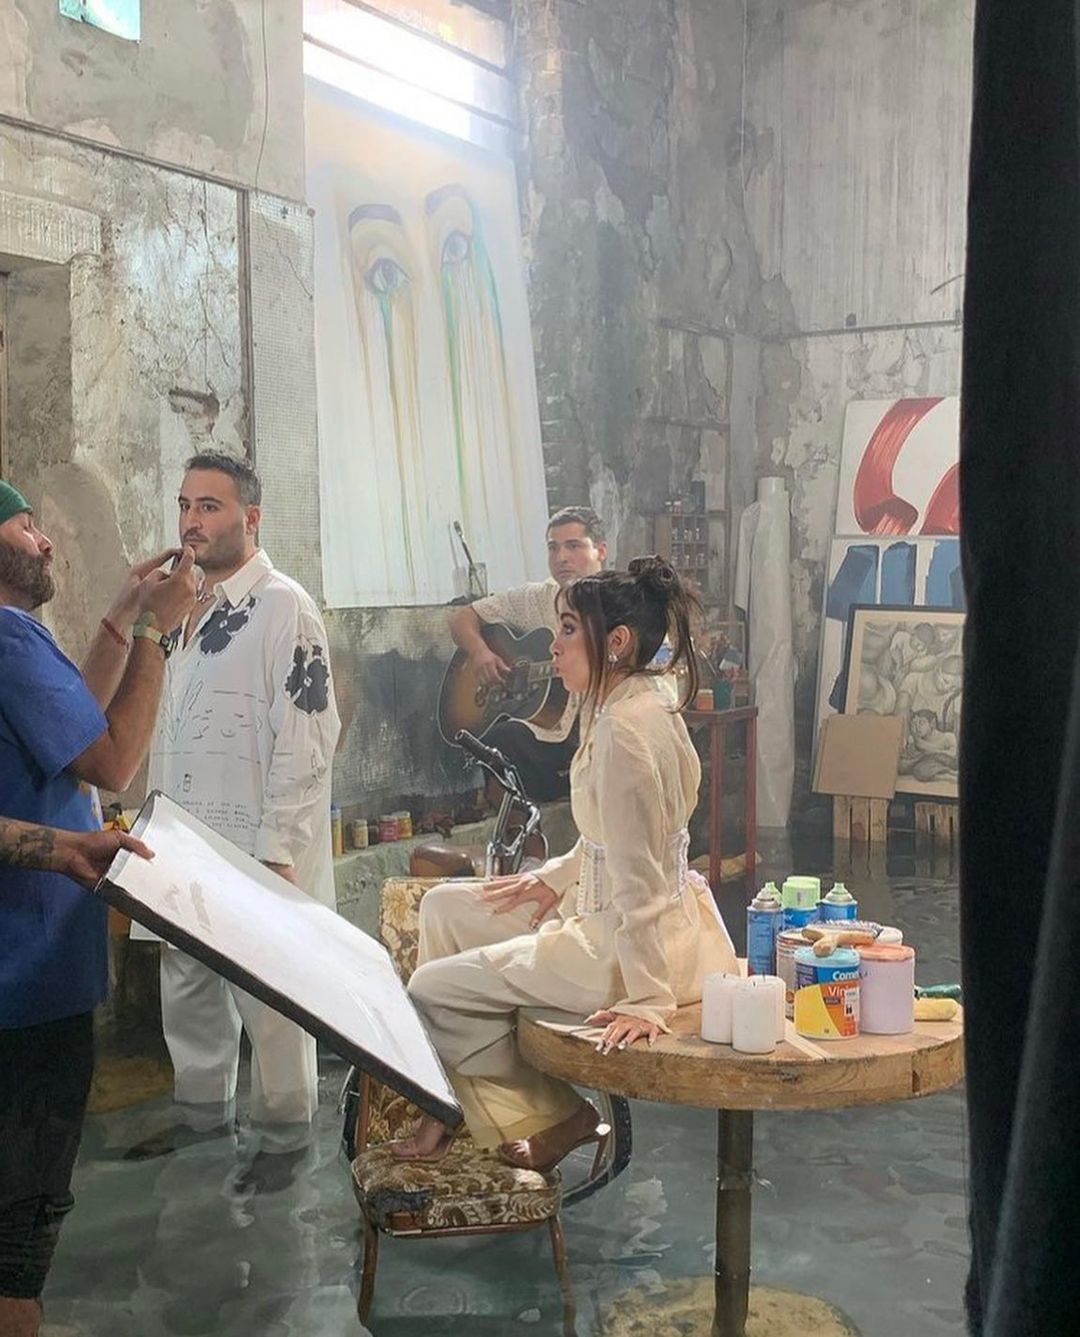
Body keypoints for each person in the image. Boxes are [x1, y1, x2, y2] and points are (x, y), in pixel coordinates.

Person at [397, 556, 737, 1169]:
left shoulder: (624, 734)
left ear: (617, 641)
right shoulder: (641, 699)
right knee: (444, 908)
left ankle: (559, 1113)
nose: (553, 646)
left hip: (621, 949)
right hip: (623, 916)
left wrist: (648, 1001)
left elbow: (640, 882)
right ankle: (450, 1104)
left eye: (569, 631)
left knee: (430, 990)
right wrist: (551, 879)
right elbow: (617, 836)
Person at [0, 479, 198, 1337]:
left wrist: (120, 615)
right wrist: (157, 631)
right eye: (25, 525)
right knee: (19, 1232)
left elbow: (67, 728)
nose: (45, 540)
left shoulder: (18, 641)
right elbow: (111, 760)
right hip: (26, 982)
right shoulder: (7, 637)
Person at [134, 452, 341, 1141]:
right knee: (189, 1006)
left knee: (276, 1012)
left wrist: (279, 849)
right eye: (184, 505)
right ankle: (200, 1140)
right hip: (182, 848)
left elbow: (309, 734)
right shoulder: (179, 609)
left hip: (257, 850)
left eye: (209, 506)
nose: (191, 522)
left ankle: (285, 1158)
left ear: (251, 517)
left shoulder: (284, 606)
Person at [448, 505, 607, 803]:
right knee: (497, 741)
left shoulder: (620, 602)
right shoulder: (538, 597)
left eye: (573, 546)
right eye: (553, 548)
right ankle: (520, 818)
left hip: (597, 734)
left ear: (600, 550)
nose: (561, 557)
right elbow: (462, 618)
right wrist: (480, 652)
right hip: (551, 734)